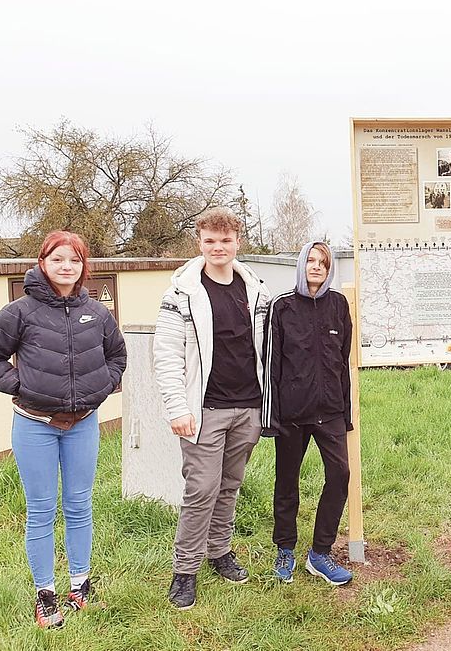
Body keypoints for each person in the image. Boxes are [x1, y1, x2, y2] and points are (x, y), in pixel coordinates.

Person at [0, 231, 126, 629]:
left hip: (83, 425)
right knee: (40, 510)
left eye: (73, 259)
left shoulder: (97, 313)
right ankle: (45, 594)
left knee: (79, 505)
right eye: (57, 259)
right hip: (35, 425)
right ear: (42, 263)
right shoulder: (19, 312)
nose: (66, 266)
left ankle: (79, 586)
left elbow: (117, 355)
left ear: (83, 266)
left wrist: (102, 388)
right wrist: (21, 386)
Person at [153, 207, 270, 609]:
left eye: (225, 240)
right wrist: (177, 408)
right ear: (199, 242)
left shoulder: (256, 289)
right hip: (204, 410)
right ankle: (184, 571)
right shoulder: (181, 292)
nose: (218, 247)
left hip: (248, 409)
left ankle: (219, 551)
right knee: (201, 489)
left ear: (238, 242)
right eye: (209, 241)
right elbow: (166, 355)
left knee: (229, 487)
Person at [262, 241, 354, 586]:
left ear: (330, 269)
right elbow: (271, 363)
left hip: (328, 410)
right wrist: (271, 417)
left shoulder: (338, 305)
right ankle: (285, 548)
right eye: (311, 261)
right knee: (286, 482)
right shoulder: (281, 307)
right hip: (291, 414)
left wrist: (344, 413)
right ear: (301, 265)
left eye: (323, 262)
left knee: (340, 476)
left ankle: (320, 552)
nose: (316, 267)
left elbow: (341, 361)